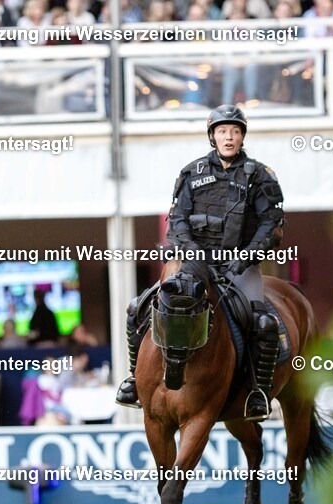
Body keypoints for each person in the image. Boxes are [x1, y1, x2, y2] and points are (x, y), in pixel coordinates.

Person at [115, 104, 285, 421]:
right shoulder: (191, 173)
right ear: (213, 136)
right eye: (222, 131)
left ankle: (257, 393)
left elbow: (271, 224)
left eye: (235, 131)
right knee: (137, 308)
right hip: (194, 262)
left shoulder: (261, 176)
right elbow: (177, 220)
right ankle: (134, 381)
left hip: (239, 264)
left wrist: (246, 255)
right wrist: (192, 252)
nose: (229, 137)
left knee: (263, 323)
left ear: (242, 136)